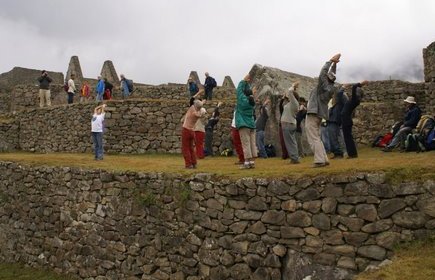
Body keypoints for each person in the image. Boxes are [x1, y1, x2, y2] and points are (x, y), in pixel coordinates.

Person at [305, 53, 341, 168]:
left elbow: (323, 73)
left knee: (313, 138)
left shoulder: (323, 86)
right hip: (319, 114)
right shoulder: (331, 88)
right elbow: (332, 74)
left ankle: (319, 160)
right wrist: (334, 64)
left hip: (313, 113)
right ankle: (324, 159)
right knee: (317, 137)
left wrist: (330, 61)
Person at [341, 81, 368, 158]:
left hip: (346, 119)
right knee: (348, 137)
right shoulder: (356, 101)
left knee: (347, 138)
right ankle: (352, 154)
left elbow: (354, 87)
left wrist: (360, 84)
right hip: (347, 119)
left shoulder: (354, 100)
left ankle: (352, 154)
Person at [235, 74, 257, 169]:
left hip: (244, 124)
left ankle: (247, 163)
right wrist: (248, 85)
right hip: (251, 125)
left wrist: (243, 81)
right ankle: (252, 162)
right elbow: (247, 92)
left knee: (246, 143)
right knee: (252, 143)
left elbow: (239, 91)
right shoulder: (252, 102)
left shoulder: (243, 100)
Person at [182, 100, 207, 168]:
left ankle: (188, 164)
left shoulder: (192, 109)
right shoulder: (199, 113)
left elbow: (192, 99)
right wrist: (202, 103)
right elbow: (200, 107)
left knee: (185, 148)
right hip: (192, 131)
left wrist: (199, 93)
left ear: (195, 105)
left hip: (186, 130)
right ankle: (194, 163)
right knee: (191, 148)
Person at [280, 82, 300, 164]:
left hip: (288, 124)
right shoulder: (290, 104)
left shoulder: (294, 103)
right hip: (289, 124)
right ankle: (295, 157)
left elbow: (290, 92)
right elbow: (282, 105)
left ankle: (294, 159)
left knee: (290, 142)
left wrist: (292, 86)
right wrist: (284, 97)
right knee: (292, 142)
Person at [328, 88, 348, 158]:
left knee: (334, 137)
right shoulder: (335, 103)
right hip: (331, 120)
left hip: (335, 120)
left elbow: (340, 94)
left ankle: (338, 153)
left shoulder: (341, 97)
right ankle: (336, 153)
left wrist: (342, 88)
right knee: (332, 138)